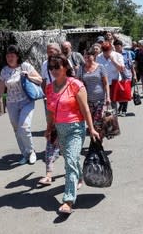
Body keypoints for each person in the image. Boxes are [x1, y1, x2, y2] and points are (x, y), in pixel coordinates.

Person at [45, 54, 101, 214]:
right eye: (51, 68)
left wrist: (91, 128)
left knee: (69, 162)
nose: (54, 70)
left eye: (57, 67)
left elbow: (85, 109)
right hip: (59, 129)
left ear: (65, 67)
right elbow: (50, 110)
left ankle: (68, 200)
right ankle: (80, 177)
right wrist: (49, 128)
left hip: (75, 128)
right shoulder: (49, 87)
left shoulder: (76, 85)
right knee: (72, 158)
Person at [0, 45, 42, 165]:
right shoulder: (4, 71)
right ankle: (25, 154)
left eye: (12, 55)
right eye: (7, 56)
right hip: (11, 103)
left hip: (26, 101)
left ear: (17, 56)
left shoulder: (25, 66)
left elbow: (40, 79)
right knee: (17, 129)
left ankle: (31, 151)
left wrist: (28, 76)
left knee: (24, 127)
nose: (9, 58)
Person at [38, 43, 62, 186]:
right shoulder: (44, 64)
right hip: (51, 100)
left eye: (52, 50)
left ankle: (77, 175)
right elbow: (44, 81)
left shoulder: (65, 62)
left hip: (65, 105)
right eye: (47, 51)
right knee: (51, 136)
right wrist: (45, 95)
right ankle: (48, 174)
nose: (49, 53)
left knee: (66, 145)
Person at [79, 46, 110, 138]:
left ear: (94, 56)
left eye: (89, 56)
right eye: (85, 56)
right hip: (87, 101)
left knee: (97, 123)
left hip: (100, 100)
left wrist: (108, 96)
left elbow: (106, 83)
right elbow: (77, 83)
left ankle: (96, 145)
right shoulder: (81, 69)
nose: (87, 58)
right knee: (91, 123)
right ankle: (96, 143)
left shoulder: (100, 67)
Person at [96, 41, 125, 111]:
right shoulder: (99, 57)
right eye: (104, 51)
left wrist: (113, 60)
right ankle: (105, 119)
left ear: (111, 49)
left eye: (107, 51)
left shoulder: (117, 55)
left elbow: (122, 69)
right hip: (103, 83)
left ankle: (114, 119)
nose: (105, 53)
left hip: (114, 82)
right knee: (104, 102)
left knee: (113, 102)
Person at [113, 39, 136, 116]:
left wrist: (134, 75)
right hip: (117, 76)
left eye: (118, 46)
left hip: (126, 76)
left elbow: (131, 65)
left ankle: (124, 110)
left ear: (121, 46)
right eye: (115, 47)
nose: (117, 48)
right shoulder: (113, 55)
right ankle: (121, 106)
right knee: (119, 94)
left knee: (125, 93)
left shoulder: (127, 53)